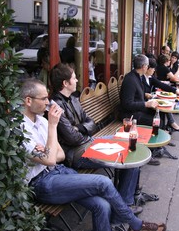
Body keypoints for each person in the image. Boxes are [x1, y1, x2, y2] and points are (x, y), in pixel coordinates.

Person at [20, 78, 166, 231]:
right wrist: (53, 128)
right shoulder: (21, 128)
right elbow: (51, 158)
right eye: (43, 99)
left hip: (59, 172)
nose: (47, 102)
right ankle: (135, 224)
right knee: (102, 182)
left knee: (102, 205)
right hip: (41, 183)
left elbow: (58, 155)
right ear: (28, 100)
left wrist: (47, 149)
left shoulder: (42, 121)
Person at [49, 63, 142, 215]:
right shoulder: (55, 106)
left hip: (89, 141)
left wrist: (79, 128)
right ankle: (125, 206)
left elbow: (92, 123)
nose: (77, 80)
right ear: (65, 83)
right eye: (74, 78)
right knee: (128, 157)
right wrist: (83, 132)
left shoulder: (73, 99)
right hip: (76, 153)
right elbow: (72, 139)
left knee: (129, 143)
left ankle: (127, 196)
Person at [143, 58, 179, 132]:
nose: (154, 70)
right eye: (153, 68)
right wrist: (145, 95)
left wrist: (175, 90)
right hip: (144, 105)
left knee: (163, 105)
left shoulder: (150, 77)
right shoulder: (141, 78)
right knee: (161, 111)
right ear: (147, 68)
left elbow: (161, 84)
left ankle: (166, 127)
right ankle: (165, 128)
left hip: (149, 101)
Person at [119, 54, 158, 126]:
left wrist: (145, 95)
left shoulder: (137, 76)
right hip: (129, 115)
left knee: (158, 114)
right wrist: (146, 104)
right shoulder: (130, 80)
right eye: (147, 66)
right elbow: (127, 104)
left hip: (137, 111)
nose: (148, 68)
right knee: (157, 121)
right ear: (143, 67)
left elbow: (134, 94)